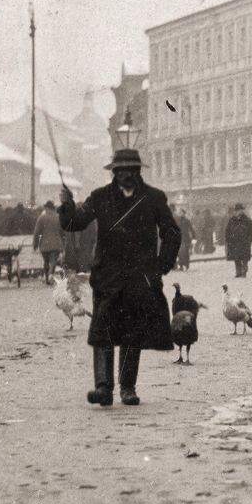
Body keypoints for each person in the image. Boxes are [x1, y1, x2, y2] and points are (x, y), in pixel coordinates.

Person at [58, 148, 180, 408]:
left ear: (138, 172)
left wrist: (161, 265)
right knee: (102, 332)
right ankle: (103, 388)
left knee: (131, 333)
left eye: (132, 170)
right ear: (114, 173)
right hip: (107, 278)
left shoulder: (154, 198)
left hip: (139, 278)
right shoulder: (99, 197)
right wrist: (67, 205)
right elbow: (74, 223)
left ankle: (127, 388)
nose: (127, 174)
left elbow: (172, 232)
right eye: (122, 170)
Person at [32, 200, 64, 284]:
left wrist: (35, 244)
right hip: (56, 244)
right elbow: (63, 232)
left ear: (46, 208)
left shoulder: (41, 218)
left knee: (46, 262)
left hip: (44, 245)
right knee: (53, 261)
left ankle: (47, 278)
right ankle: (50, 275)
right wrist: (63, 244)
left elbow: (36, 232)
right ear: (53, 208)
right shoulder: (59, 218)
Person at [224, 203, 252, 278]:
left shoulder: (247, 220)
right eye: (237, 210)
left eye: (240, 210)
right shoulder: (232, 220)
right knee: (236, 257)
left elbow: (251, 231)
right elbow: (227, 230)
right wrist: (228, 239)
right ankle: (238, 272)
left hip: (244, 242)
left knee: (244, 257)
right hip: (234, 242)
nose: (238, 212)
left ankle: (244, 270)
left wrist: (250, 239)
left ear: (242, 211)